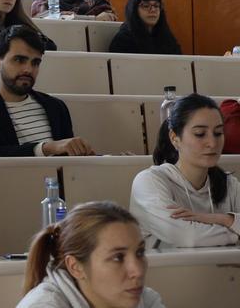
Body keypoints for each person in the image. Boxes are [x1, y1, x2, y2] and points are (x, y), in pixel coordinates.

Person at [0, 25, 94, 157]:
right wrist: (45, 148)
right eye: (19, 60)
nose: (28, 69)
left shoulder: (56, 107)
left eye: (35, 62)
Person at [130, 94, 240, 248]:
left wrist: (225, 219)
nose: (212, 143)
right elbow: (189, 237)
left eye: (218, 133)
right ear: (175, 138)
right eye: (200, 134)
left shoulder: (230, 184)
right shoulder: (149, 181)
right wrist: (236, 231)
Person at [18, 201, 164, 308]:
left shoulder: (145, 300)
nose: (138, 271)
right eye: (117, 257)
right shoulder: (44, 305)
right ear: (75, 267)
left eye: (139, 252)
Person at [109, 0, 181, 55]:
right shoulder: (123, 40)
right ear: (134, 10)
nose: (153, 10)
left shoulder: (166, 37)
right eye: (146, 6)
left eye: (156, 6)